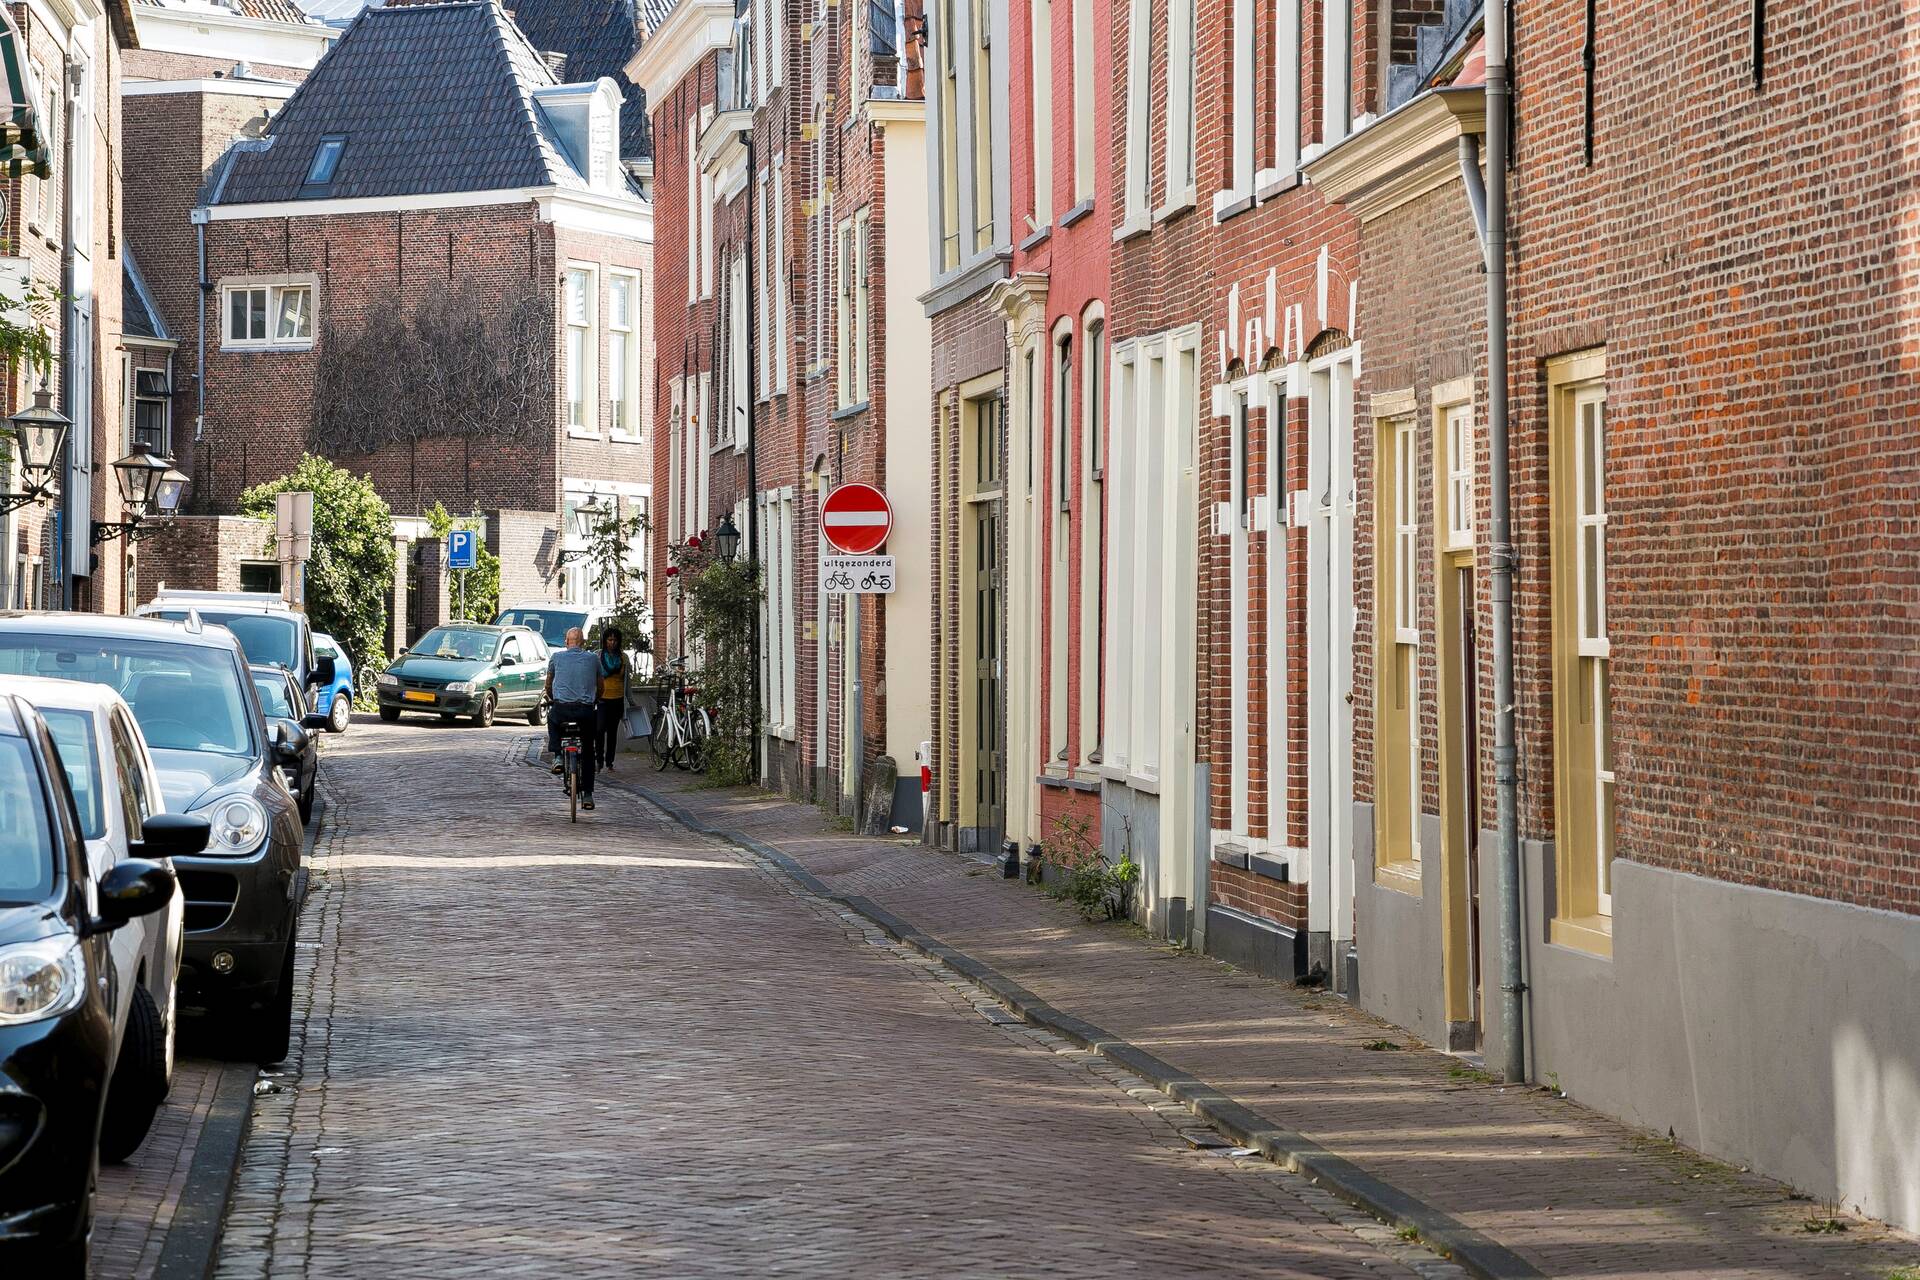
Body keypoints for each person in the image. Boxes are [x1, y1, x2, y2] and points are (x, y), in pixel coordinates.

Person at [543, 626, 600, 811]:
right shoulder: (593, 658)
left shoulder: (557, 658)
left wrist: (553, 699)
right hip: (585, 711)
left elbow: (548, 683)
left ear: (566, 642)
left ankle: (558, 756)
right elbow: (601, 685)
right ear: (583, 642)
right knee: (588, 751)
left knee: (552, 720)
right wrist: (595, 700)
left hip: (562, 709)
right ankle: (588, 795)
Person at [594, 626, 629, 771]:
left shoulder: (623, 657)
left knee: (613, 732)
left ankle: (609, 762)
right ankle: (599, 760)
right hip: (602, 698)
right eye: (609, 639)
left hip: (617, 698)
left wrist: (630, 699)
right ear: (605, 641)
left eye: (615, 640)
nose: (612, 643)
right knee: (600, 729)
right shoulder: (598, 656)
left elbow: (627, 680)